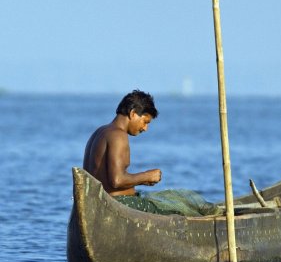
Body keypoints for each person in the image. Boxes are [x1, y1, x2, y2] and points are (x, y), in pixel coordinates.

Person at [83, 89, 219, 216]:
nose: (145, 128)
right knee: (179, 210)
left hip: (100, 204)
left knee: (173, 202)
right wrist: (146, 176)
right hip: (118, 204)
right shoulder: (118, 135)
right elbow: (117, 181)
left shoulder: (100, 132)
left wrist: (141, 181)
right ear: (132, 113)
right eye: (145, 121)